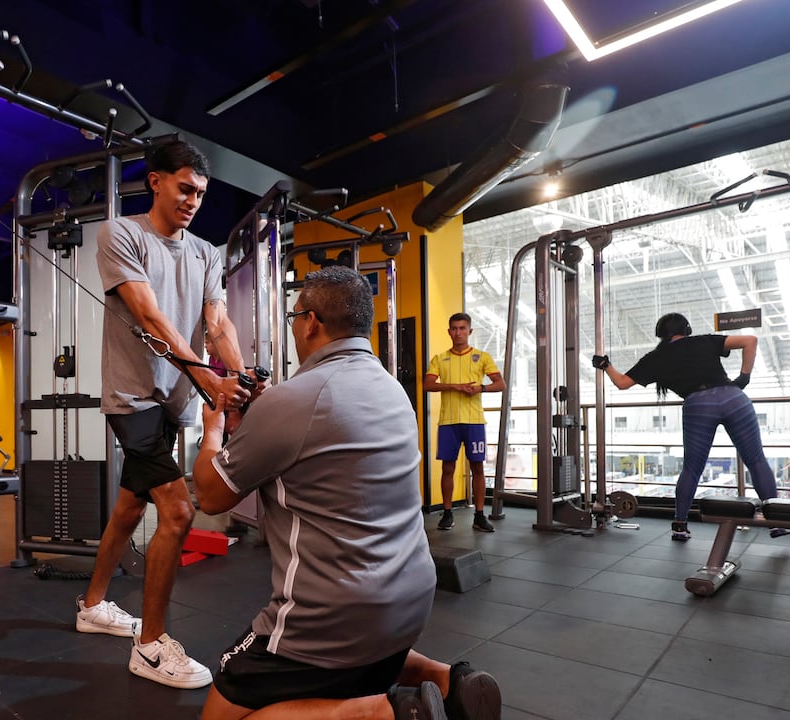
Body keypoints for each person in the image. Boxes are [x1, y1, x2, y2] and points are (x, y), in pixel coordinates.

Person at [191, 266, 501, 720]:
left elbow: (212, 495)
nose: (295, 325)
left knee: (220, 716)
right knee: (359, 652)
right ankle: (447, 680)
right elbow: (318, 429)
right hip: (411, 601)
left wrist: (213, 430)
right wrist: (263, 415)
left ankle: (387, 713)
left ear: (311, 321)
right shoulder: (391, 388)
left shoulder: (291, 401)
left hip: (336, 618)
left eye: (296, 316)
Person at [75, 140, 258, 690]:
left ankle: (92, 606)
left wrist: (240, 378)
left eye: (200, 193)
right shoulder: (121, 234)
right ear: (155, 181)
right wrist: (206, 376)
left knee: (130, 509)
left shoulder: (206, 252)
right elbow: (151, 316)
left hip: (172, 404)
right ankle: (150, 645)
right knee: (177, 515)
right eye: (184, 188)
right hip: (132, 401)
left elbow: (217, 322)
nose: (192, 201)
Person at [594, 312, 790, 542]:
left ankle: (680, 525)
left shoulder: (656, 358)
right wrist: (743, 378)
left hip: (698, 405)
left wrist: (606, 365)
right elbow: (750, 341)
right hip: (733, 399)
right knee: (756, 460)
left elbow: (621, 383)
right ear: (686, 328)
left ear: (661, 335)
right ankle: (777, 523)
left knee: (692, 468)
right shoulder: (703, 340)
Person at [424, 313, 506, 533]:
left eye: (462, 328)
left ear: (469, 331)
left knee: (477, 468)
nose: (457, 332)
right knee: (447, 468)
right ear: (449, 331)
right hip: (448, 422)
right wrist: (455, 386)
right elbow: (427, 384)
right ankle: (448, 513)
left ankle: (479, 515)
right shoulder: (439, 358)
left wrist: (481, 388)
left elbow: (500, 384)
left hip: (474, 421)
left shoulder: (482, 356)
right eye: (453, 328)